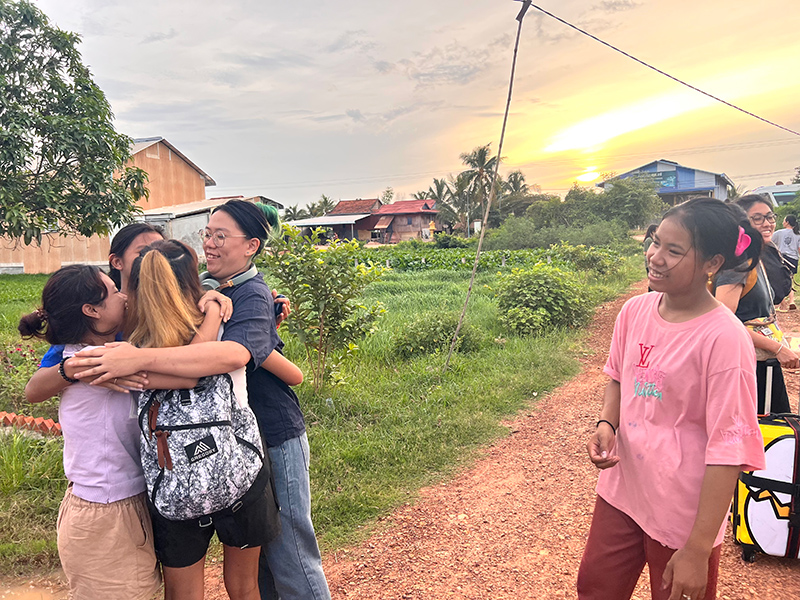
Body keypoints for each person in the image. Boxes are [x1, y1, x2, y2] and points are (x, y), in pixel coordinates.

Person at [70, 200, 330, 600]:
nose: (210, 242)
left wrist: (135, 360)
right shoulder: (211, 296)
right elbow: (286, 371)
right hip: (237, 450)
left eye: (220, 236)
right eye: (207, 234)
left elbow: (234, 356)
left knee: (289, 553)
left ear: (252, 246)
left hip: (265, 435)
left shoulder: (245, 297)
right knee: (259, 572)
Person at [577, 197, 766, 600]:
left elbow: (729, 449)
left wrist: (698, 548)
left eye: (674, 250)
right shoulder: (634, 311)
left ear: (713, 263)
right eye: (655, 241)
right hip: (623, 490)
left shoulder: (724, 339)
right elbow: (619, 377)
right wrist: (607, 423)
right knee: (595, 589)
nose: (655, 256)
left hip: (684, 513)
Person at [125, 239, 285, 600]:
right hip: (239, 470)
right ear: (192, 280)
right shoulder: (228, 325)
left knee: (183, 595)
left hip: (173, 484)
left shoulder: (131, 344)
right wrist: (214, 308)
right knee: (245, 588)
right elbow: (197, 372)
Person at [18, 265, 161, 600]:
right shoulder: (94, 360)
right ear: (92, 310)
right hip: (104, 510)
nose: (124, 296)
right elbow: (33, 389)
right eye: (114, 290)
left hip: (117, 500)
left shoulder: (100, 352)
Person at [715, 195, 798, 414]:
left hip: (762, 363)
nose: (767, 223)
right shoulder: (737, 266)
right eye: (757, 218)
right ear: (741, 225)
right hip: (746, 366)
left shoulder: (755, 259)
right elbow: (723, 323)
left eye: (770, 216)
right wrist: (777, 348)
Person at [772, 214, 800, 310]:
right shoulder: (798, 234)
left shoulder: (779, 233)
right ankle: (791, 301)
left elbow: (769, 242)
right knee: (789, 280)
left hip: (782, 259)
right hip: (793, 259)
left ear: (787, 222)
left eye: (784, 220)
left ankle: (782, 304)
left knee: (780, 281)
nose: (783, 222)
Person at [643, 224, 658, 292]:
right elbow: (645, 252)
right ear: (652, 231)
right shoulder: (648, 240)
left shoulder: (653, 240)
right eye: (656, 230)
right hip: (649, 263)